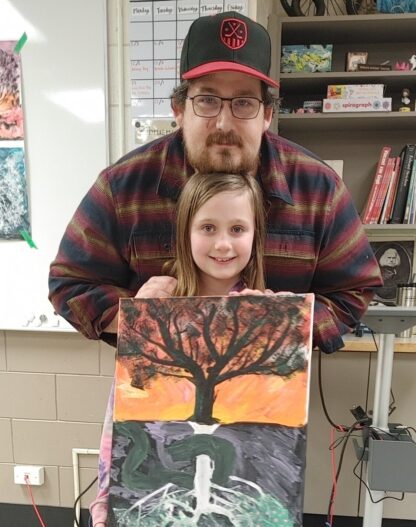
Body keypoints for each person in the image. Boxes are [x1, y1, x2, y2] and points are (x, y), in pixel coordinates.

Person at [48, 8, 382, 525]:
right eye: (207, 100)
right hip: (154, 428)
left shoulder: (317, 190)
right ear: (179, 108)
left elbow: (354, 289)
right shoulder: (124, 186)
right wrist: (138, 317)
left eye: (244, 103)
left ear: (268, 114)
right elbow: (69, 283)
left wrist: (283, 325)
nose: (224, 122)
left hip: (262, 431)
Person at [90, 171, 268, 525]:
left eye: (237, 229)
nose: (222, 244)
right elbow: (123, 413)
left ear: (255, 235)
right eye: (207, 228)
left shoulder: (266, 313)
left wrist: (276, 319)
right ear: (186, 233)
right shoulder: (158, 303)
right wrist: (105, 499)